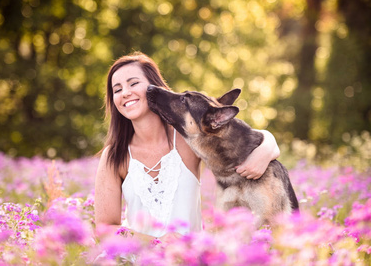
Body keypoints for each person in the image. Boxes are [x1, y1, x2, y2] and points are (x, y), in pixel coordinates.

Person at [94, 52, 280, 241]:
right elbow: (105, 227)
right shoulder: (114, 155)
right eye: (117, 90)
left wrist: (266, 149)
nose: (125, 93)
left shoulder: (189, 140)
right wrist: (154, 243)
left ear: (154, 86)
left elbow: (250, 138)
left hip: (190, 257)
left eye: (133, 83)